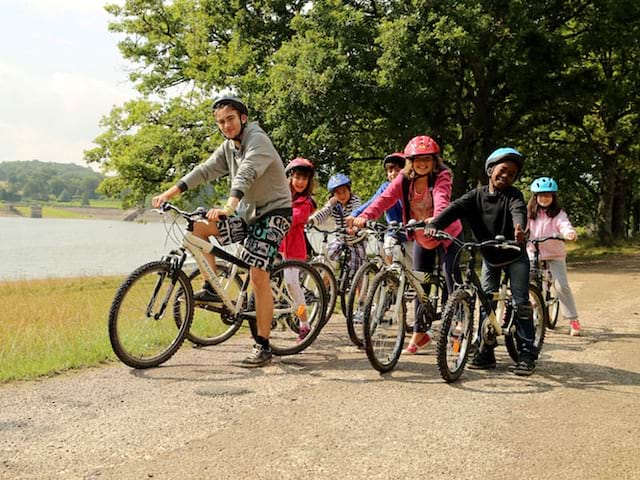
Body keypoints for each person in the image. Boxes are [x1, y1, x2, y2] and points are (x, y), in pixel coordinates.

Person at [151, 95, 292, 368]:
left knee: (258, 274)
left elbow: (247, 173)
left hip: (275, 212)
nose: (225, 125)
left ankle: (263, 346)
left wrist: (229, 205)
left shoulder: (258, 140)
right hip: (247, 212)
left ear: (243, 118)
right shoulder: (229, 147)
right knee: (199, 227)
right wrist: (169, 193)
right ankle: (212, 287)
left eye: (230, 119)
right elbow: (205, 170)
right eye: (220, 122)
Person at [425, 147, 538, 376]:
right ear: (490, 170)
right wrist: (435, 224)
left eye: (512, 174)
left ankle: (527, 353)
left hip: (514, 253)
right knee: (486, 300)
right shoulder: (475, 196)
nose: (506, 176)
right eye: (503, 170)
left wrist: (519, 227)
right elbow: (454, 208)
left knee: (520, 302)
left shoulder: (514, 195)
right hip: (490, 256)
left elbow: (518, 211)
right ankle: (486, 351)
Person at [348, 136, 463, 354]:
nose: (422, 164)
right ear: (410, 161)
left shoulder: (441, 176)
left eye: (427, 159)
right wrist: (364, 216)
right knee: (421, 283)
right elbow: (384, 199)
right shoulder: (404, 178)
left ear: (434, 160)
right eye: (417, 159)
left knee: (451, 280)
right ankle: (420, 333)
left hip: (446, 233)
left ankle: (457, 328)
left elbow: (442, 198)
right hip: (421, 236)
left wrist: (437, 219)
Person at [527, 177, 582, 336]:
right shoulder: (530, 213)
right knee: (525, 281)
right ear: (535, 197)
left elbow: (564, 225)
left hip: (555, 254)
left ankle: (573, 320)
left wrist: (569, 233)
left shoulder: (558, 214)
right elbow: (522, 227)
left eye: (548, 195)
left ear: (553, 197)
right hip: (533, 252)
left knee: (561, 286)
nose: (544, 198)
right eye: (541, 195)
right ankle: (527, 312)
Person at [279, 157, 317, 342]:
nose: (300, 182)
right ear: (290, 178)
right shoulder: (282, 195)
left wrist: (278, 215)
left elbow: (295, 218)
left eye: (305, 178)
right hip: (278, 246)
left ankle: (304, 322)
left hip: (294, 249)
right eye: (297, 177)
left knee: (292, 285)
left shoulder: (306, 202)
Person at [351, 153, 412, 265]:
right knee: (387, 248)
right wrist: (355, 215)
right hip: (393, 231)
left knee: (417, 271)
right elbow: (372, 203)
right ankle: (391, 278)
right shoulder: (385, 187)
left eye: (398, 170)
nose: (393, 174)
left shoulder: (411, 187)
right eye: (390, 171)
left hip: (411, 233)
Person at [307, 173, 367, 278]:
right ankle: (325, 289)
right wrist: (311, 221)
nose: (342, 195)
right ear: (333, 195)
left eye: (344, 191)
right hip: (341, 238)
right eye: (338, 193)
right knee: (329, 260)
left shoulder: (355, 200)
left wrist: (354, 228)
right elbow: (324, 213)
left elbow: (357, 212)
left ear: (349, 190)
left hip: (356, 239)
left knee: (356, 273)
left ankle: (360, 293)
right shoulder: (333, 203)